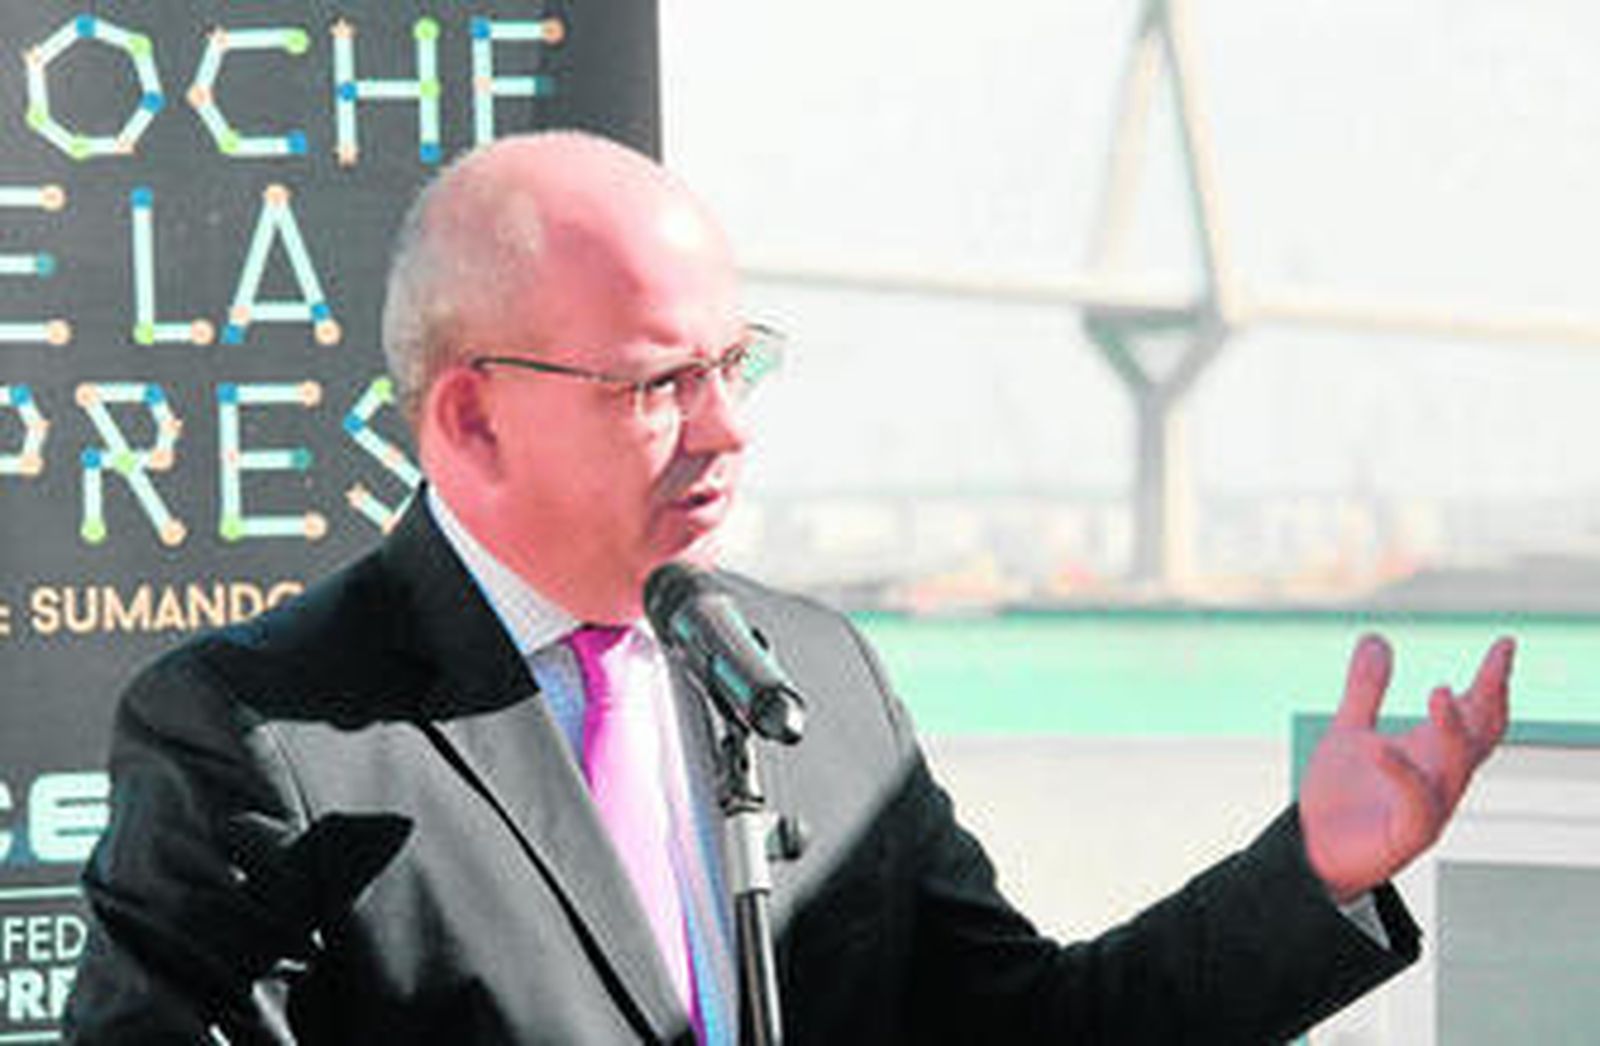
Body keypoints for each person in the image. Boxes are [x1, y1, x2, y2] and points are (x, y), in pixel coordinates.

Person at [64, 131, 1513, 1045]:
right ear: (472, 418)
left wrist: (1315, 871)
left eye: (733, 362)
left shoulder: (801, 669)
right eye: (659, 383)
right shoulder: (262, 738)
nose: (727, 424)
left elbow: (1018, 1028)